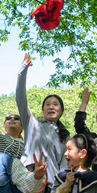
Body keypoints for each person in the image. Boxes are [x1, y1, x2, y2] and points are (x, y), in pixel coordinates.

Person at [17, 53, 69, 184]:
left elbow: (65, 166)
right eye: (48, 104)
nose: (51, 107)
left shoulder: (66, 136)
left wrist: (60, 188)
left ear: (61, 111)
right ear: (43, 110)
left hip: (51, 188)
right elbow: (20, 98)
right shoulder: (32, 125)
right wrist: (23, 69)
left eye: (55, 104)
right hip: (28, 182)